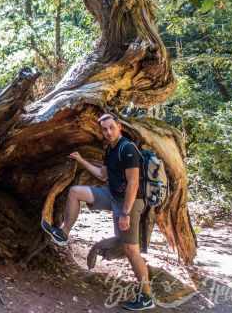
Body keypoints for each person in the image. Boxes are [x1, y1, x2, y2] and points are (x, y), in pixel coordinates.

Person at [40, 112, 155, 311]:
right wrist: (81, 160)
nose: (108, 132)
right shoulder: (110, 149)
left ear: (119, 126)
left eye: (111, 127)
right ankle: (63, 233)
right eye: (104, 129)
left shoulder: (127, 149)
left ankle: (146, 296)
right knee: (75, 192)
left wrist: (125, 213)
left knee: (131, 250)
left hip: (130, 202)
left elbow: (133, 183)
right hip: (112, 195)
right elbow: (102, 175)